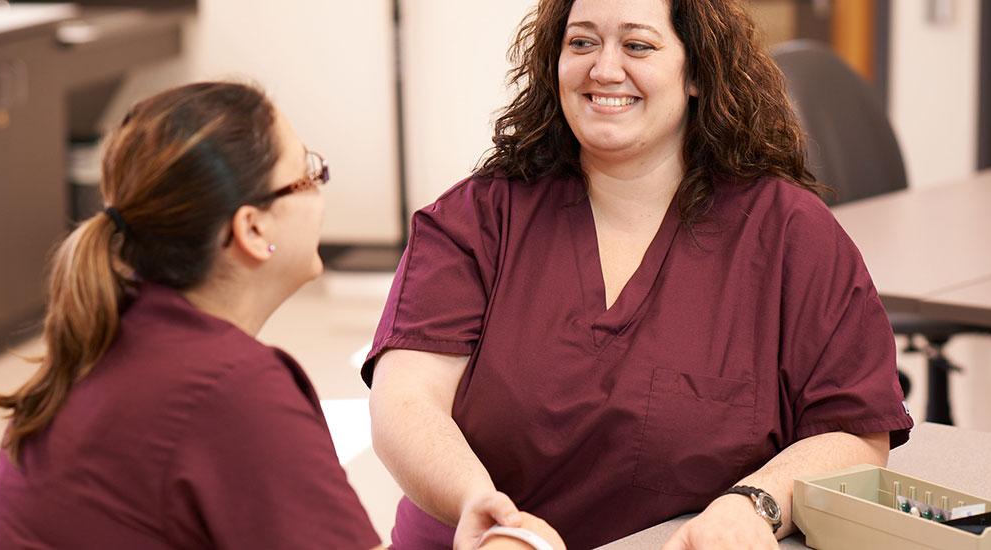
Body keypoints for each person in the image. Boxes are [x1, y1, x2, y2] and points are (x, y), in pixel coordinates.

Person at [363, 0, 914, 549]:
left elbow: (854, 429)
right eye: (581, 43)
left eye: (638, 45)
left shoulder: (788, 233)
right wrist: (477, 506)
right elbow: (405, 400)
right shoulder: (478, 219)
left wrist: (755, 504)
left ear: (697, 71)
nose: (603, 69)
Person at [0, 82, 563, 550]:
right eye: (307, 173)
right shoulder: (228, 390)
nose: (320, 190)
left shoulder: (114, 333)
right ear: (253, 230)